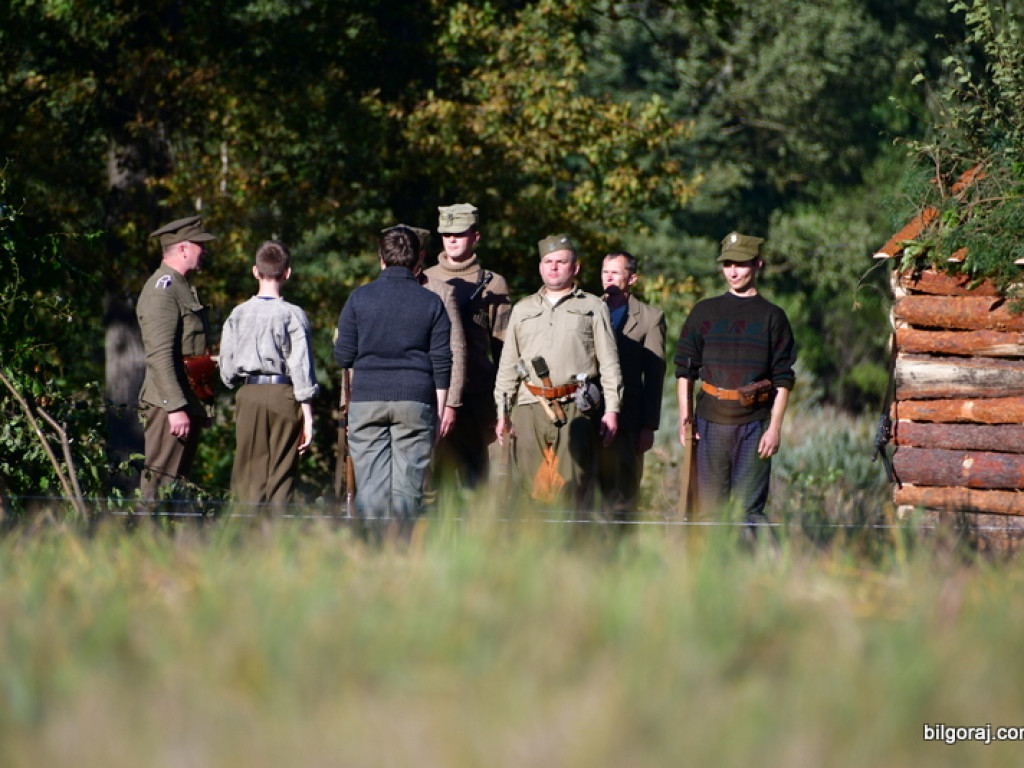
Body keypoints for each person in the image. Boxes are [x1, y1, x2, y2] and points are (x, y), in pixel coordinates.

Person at [674, 232, 796, 539]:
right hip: (709, 423)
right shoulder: (704, 311)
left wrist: (774, 428)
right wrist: (685, 418)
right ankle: (712, 577)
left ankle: (750, 578)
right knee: (708, 511)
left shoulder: (773, 317)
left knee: (748, 512)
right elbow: (685, 369)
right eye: (728, 264)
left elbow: (783, 377)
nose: (733, 271)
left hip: (754, 426)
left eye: (740, 264)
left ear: (757, 265)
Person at [333, 227, 451, 542]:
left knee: (370, 486)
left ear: (381, 259)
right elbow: (442, 362)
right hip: (416, 400)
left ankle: (372, 552)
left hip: (368, 398)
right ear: (419, 260)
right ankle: (401, 551)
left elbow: (343, 355)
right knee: (408, 488)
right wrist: (438, 413)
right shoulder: (431, 302)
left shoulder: (359, 298)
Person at [494, 233, 622, 514]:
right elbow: (507, 366)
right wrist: (503, 413)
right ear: (540, 267)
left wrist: (611, 410)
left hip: (576, 406)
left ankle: (571, 549)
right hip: (530, 407)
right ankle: (538, 548)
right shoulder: (522, 309)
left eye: (561, 262)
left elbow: (609, 363)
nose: (553, 267)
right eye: (548, 261)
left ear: (574, 268)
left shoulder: (593, 307)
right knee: (532, 485)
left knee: (573, 484)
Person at [219, 241, 319, 511]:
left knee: (247, 473)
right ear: (287, 273)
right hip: (284, 395)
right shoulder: (293, 315)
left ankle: (242, 537)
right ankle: (274, 538)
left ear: (255, 271)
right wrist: (308, 417)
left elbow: (227, 373)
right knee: (281, 473)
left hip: (249, 393)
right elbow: (301, 368)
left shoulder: (237, 314)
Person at [424, 203, 511, 488]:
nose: (451, 239)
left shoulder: (493, 284)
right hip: (434, 392)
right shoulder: (425, 279)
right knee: (434, 480)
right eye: (446, 233)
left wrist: (503, 404)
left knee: (479, 481)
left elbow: (503, 346)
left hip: (477, 395)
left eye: (459, 233)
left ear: (476, 236)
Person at [136, 214, 217, 514]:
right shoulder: (162, 290)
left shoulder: (180, 287)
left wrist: (202, 405)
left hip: (187, 401)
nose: (204, 251)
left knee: (176, 491)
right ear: (183, 248)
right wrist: (174, 407)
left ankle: (168, 555)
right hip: (168, 403)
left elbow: (194, 351)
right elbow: (159, 354)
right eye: (200, 245)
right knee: (157, 490)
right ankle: (143, 552)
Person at [597, 251, 667, 520]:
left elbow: (654, 375)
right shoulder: (587, 308)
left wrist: (648, 426)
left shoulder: (650, 318)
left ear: (633, 278)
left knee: (623, 495)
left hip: (628, 420)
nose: (609, 277)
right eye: (605, 272)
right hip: (588, 415)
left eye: (615, 272)